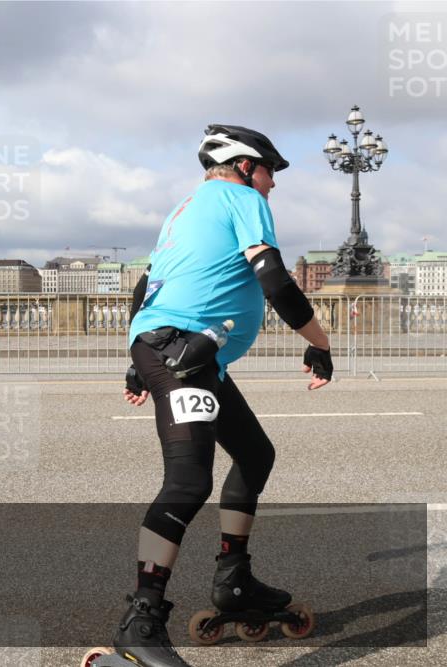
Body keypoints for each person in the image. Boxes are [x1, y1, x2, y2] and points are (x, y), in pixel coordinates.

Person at [112, 125, 334, 667]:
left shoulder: (186, 208)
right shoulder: (240, 199)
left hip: (185, 351)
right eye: (270, 172)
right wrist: (321, 344)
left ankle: (234, 581)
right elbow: (275, 280)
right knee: (188, 483)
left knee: (256, 453)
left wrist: (139, 362)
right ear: (243, 167)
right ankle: (141, 622)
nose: (273, 184)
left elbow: (148, 285)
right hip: (182, 351)